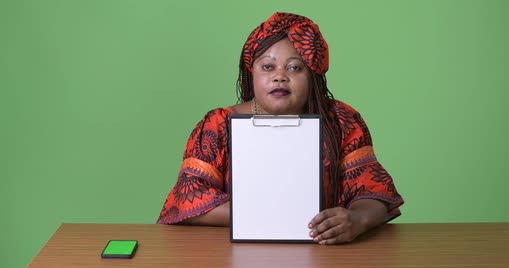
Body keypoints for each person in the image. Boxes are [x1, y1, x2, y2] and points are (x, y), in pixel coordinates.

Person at [157, 12, 404, 244]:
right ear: (251, 71)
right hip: (236, 254)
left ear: (313, 75)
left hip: (322, 251)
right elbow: (186, 201)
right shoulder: (218, 125)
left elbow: (374, 190)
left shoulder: (340, 120)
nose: (280, 77)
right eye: (268, 67)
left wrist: (357, 220)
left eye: (295, 67)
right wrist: (267, 215)